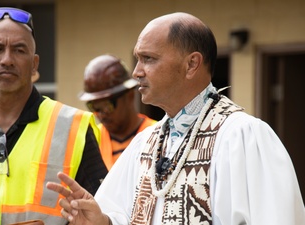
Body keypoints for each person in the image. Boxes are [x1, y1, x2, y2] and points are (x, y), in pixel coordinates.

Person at [46, 12, 305, 225]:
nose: (136, 72)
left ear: (192, 64)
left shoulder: (243, 137)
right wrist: (101, 222)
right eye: (138, 59)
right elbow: (118, 214)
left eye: (148, 59)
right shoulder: (145, 144)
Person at [0, 7, 107, 225]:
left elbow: (100, 213)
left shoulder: (73, 127)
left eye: (20, 50)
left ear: (34, 64)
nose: (7, 59)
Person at [78, 54, 156, 170]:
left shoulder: (156, 134)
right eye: (94, 107)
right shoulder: (91, 139)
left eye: (106, 106)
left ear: (129, 96)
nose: (100, 115)